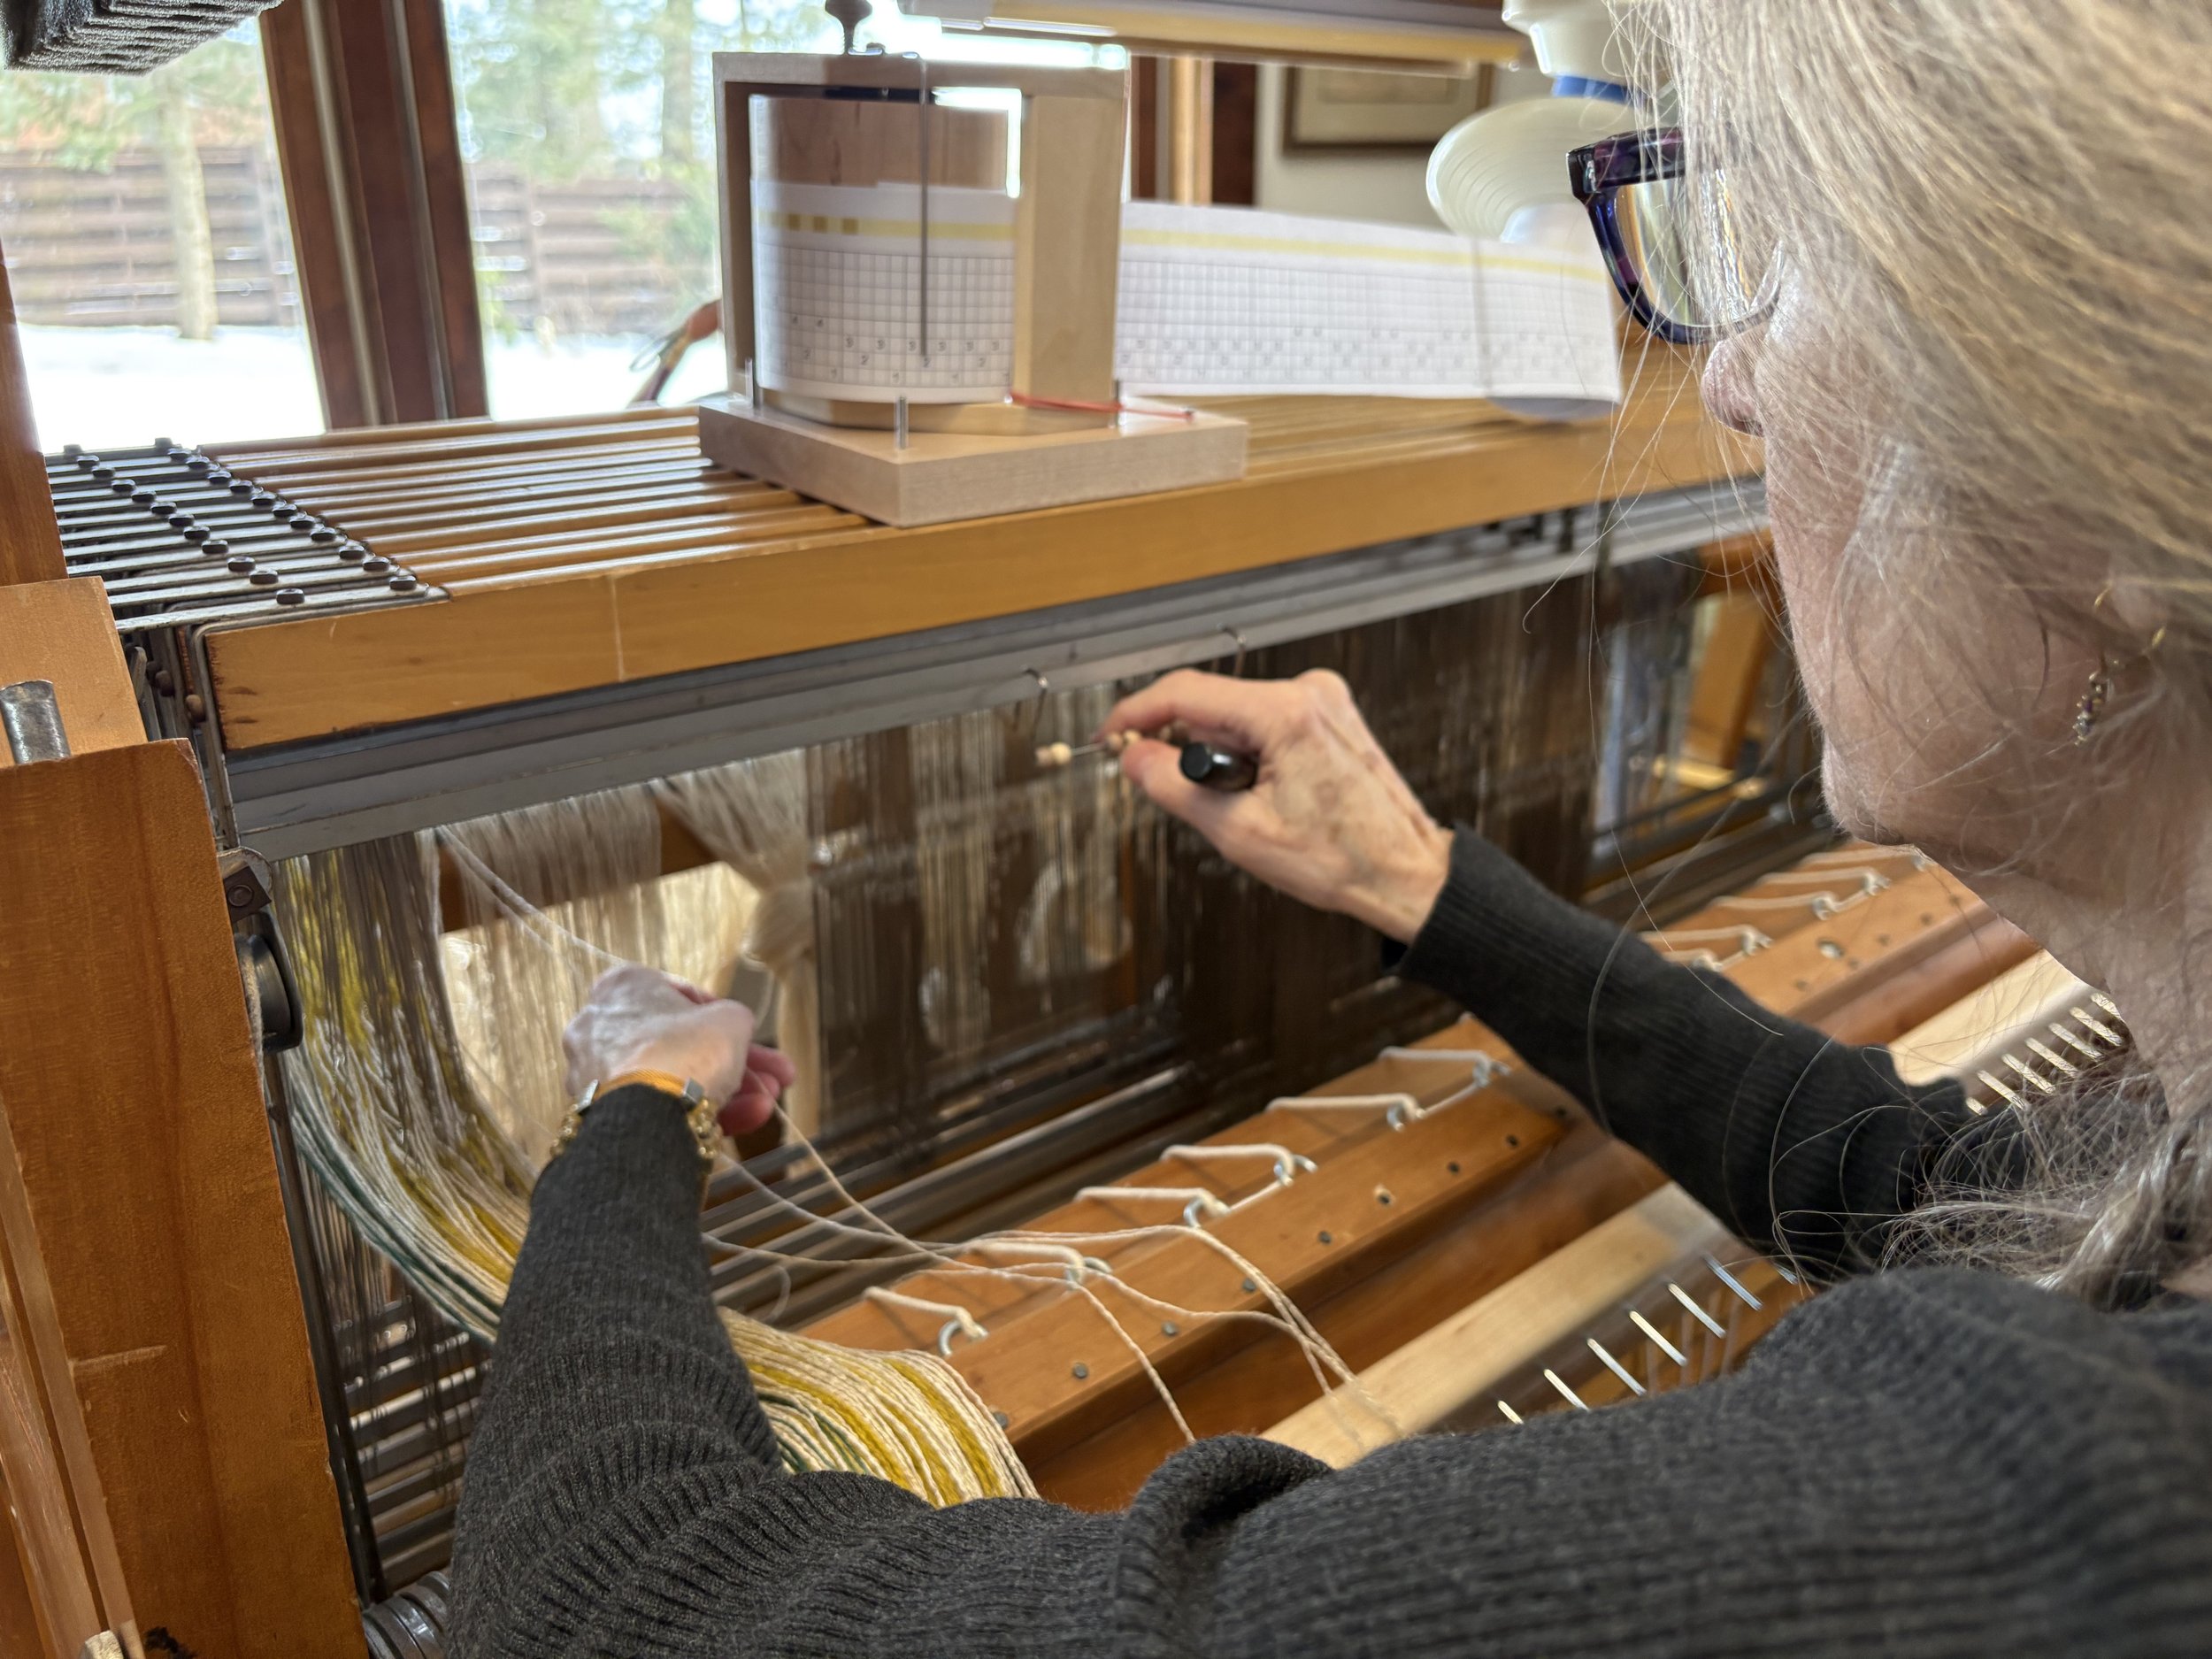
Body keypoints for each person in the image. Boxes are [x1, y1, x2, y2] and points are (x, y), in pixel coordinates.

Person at [448, 4, 2212, 1654]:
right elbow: (1930, 1188)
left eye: (1800, 252)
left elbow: (611, 1604)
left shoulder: (2005, 1526)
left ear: (2114, 444)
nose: (1732, 379)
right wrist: (1421, 885)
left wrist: (637, 1096)